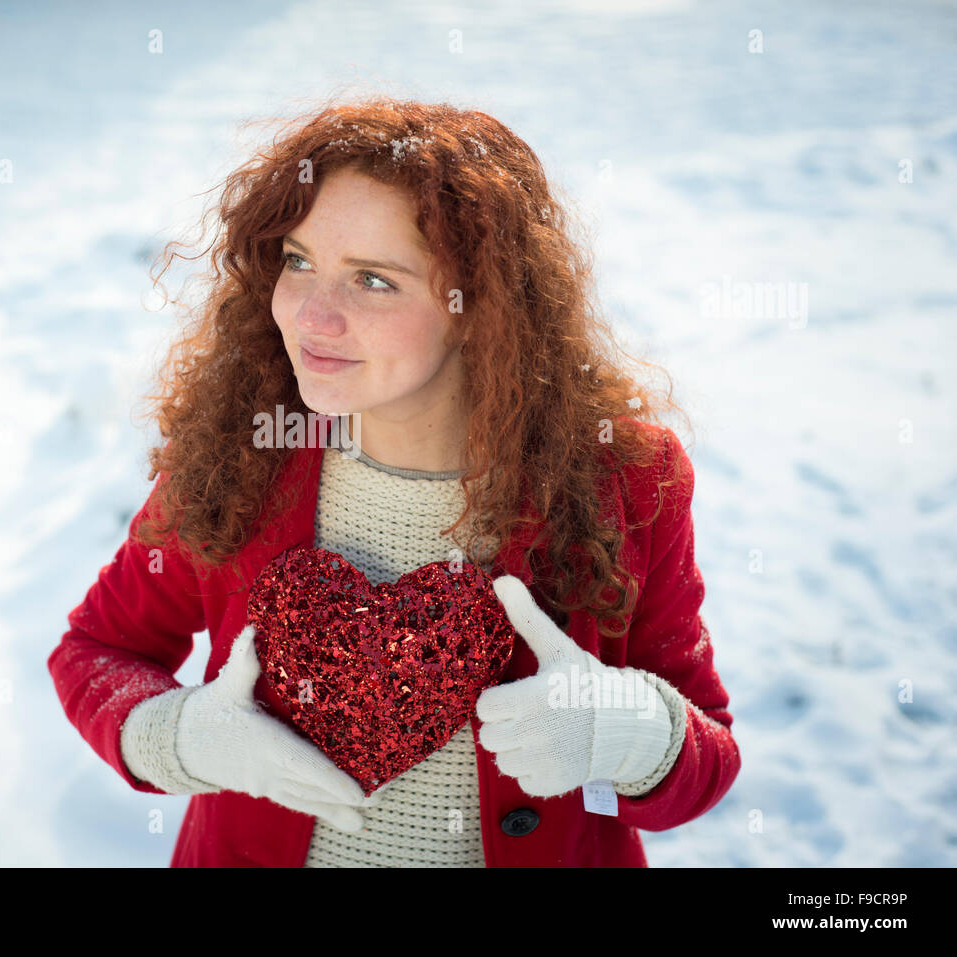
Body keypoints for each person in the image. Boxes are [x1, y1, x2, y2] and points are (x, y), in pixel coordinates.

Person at [47, 96, 741, 867]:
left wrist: (634, 730)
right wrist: (177, 739)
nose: (312, 314)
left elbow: (706, 761)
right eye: (299, 260)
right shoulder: (241, 455)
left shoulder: (626, 480)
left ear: (482, 306)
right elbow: (95, 648)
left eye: (373, 280)